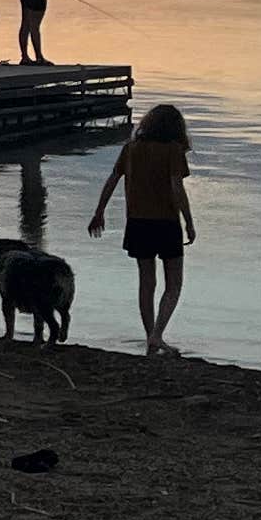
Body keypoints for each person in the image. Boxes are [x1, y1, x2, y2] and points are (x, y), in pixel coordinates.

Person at [87, 102, 195, 355]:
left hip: (137, 223)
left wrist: (99, 212)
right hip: (166, 222)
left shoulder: (131, 148)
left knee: (146, 282)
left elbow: (112, 179)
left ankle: (150, 337)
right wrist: (189, 221)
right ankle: (157, 335)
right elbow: (177, 188)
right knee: (174, 284)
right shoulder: (173, 150)